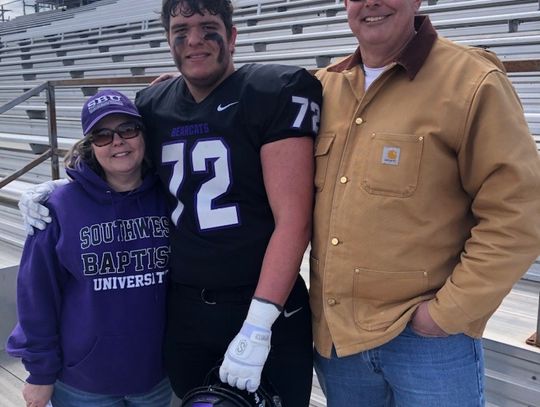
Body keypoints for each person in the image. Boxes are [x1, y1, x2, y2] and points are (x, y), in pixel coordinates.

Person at [18, 0, 322, 405]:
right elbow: (116, 151)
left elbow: (294, 220)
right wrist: (63, 188)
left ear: (232, 35)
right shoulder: (153, 105)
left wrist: (259, 325)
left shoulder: (275, 90)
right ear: (168, 41)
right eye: (181, 31)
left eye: (207, 27)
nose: (194, 40)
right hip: (187, 310)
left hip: (264, 303)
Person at [310, 0, 540, 406]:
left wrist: (446, 315)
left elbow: (519, 213)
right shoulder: (323, 87)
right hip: (339, 345)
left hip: (428, 346)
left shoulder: (471, 81)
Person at [7, 90, 172, 407]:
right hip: (83, 384)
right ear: (90, 145)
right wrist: (40, 373)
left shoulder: (169, 196)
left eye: (128, 129)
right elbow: (36, 295)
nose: (117, 142)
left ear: (143, 135)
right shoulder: (57, 207)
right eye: (102, 135)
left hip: (156, 377)